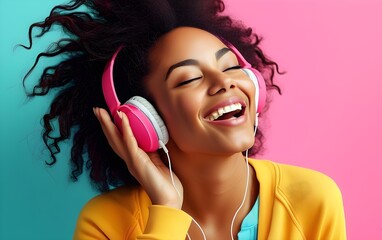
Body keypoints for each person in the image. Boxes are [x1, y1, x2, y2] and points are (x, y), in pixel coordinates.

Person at [23, 0, 346, 239]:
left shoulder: (312, 198)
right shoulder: (106, 223)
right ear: (144, 120)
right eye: (189, 79)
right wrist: (165, 210)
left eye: (231, 66)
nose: (224, 83)